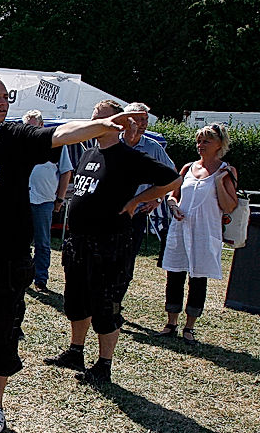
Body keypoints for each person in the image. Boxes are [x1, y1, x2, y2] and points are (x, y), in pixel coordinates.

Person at [0, 75, 135, 433]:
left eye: (5, 97)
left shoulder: (17, 137)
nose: (2, 103)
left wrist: (100, 124)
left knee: (4, 328)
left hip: (7, 256)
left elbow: (61, 134)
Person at [43, 119, 180, 382]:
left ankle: (104, 365)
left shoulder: (129, 157)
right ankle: (76, 351)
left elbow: (173, 180)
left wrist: (139, 200)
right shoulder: (88, 153)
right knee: (77, 300)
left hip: (109, 243)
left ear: (117, 126)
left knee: (105, 304)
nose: (95, 123)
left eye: (102, 118)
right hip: (79, 241)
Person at [159, 123, 240, 344]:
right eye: (199, 141)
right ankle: (171, 322)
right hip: (181, 229)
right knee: (174, 275)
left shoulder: (227, 171)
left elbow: (229, 206)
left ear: (219, 145)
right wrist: (174, 206)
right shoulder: (187, 168)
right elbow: (173, 195)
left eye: (206, 141)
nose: (200, 145)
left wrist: (219, 182)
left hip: (205, 232)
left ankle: (189, 327)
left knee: (198, 279)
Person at [120, 102, 176, 268]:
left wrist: (157, 199)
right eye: (139, 119)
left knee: (128, 258)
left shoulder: (153, 147)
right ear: (126, 120)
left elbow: (172, 176)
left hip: (136, 212)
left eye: (146, 119)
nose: (144, 123)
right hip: (111, 210)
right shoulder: (113, 143)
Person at [23, 110, 73, 292]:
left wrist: (60, 198)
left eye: (34, 127)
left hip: (44, 200)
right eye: (27, 127)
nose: (31, 131)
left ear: (42, 126)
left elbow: (66, 172)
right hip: (22, 200)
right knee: (21, 241)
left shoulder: (56, 144)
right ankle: (23, 275)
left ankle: (40, 278)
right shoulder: (21, 144)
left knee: (42, 242)